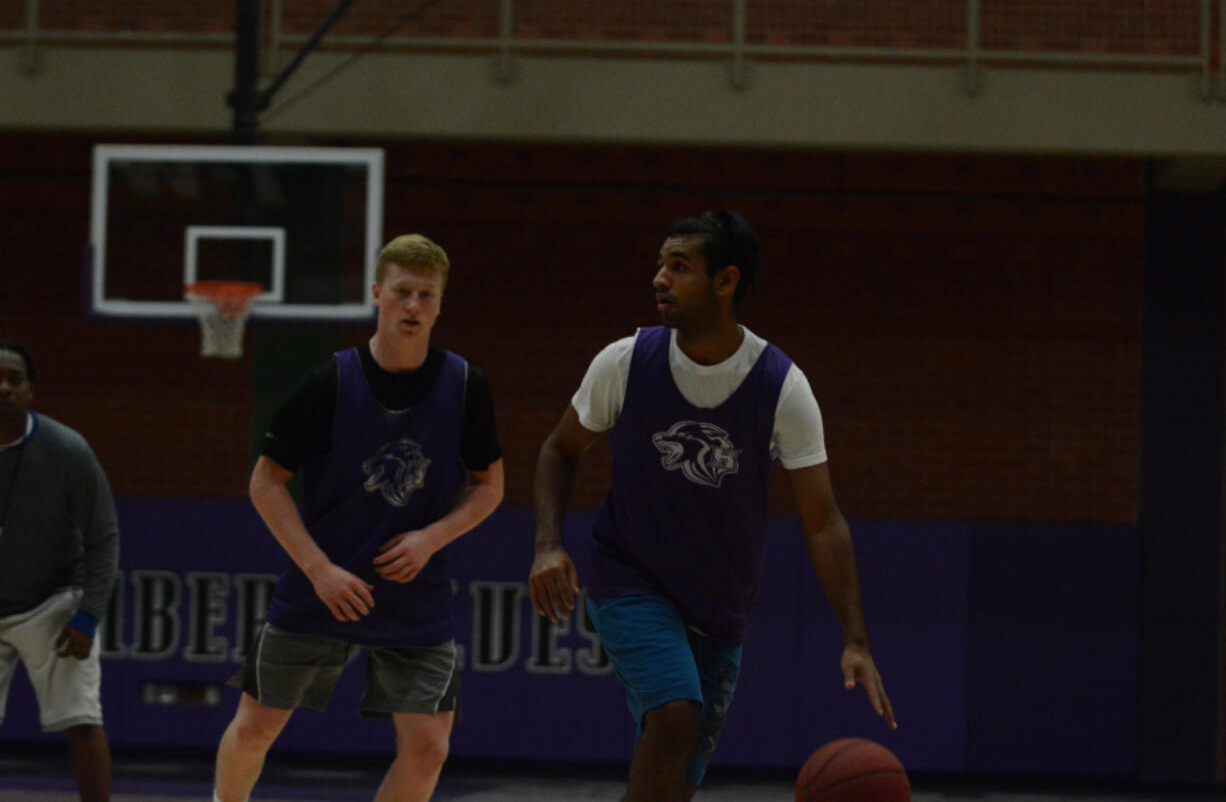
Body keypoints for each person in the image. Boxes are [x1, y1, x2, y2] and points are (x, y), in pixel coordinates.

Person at [528, 211, 896, 802]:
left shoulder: (782, 386)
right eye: (660, 265)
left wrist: (856, 639)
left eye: (678, 268)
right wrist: (548, 544)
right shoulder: (624, 362)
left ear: (726, 281)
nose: (658, 279)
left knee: (677, 779)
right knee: (675, 714)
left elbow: (823, 521)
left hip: (720, 603)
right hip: (629, 576)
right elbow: (559, 450)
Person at [212, 234, 504, 802]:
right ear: (377, 294)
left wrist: (432, 537)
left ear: (441, 303)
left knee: (429, 748)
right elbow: (265, 482)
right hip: (324, 583)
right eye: (402, 292)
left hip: (414, 589)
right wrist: (318, 569)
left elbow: (490, 486)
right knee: (254, 729)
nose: (413, 305)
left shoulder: (466, 386)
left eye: (426, 294)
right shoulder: (329, 383)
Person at [0, 341, 119, 802]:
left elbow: (104, 536)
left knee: (82, 720)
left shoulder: (67, 449)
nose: (4, 388)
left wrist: (87, 614)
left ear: (30, 391)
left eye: (15, 379)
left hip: (53, 602)